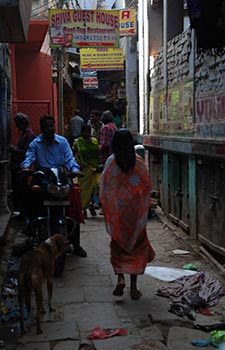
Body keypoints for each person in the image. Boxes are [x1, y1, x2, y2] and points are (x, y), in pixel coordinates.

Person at [99, 129, 155, 299]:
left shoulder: (111, 162)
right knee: (136, 249)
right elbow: (146, 187)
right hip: (135, 214)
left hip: (118, 214)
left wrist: (108, 209)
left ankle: (120, 278)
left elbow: (104, 189)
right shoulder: (138, 162)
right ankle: (133, 288)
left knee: (118, 247)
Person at [21, 115, 87, 257]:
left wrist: (75, 169)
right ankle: (30, 230)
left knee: (73, 207)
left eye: (52, 125)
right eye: (47, 126)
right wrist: (26, 166)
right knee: (30, 195)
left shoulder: (62, 142)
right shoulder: (35, 144)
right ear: (42, 128)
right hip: (43, 176)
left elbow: (70, 158)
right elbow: (29, 157)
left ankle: (76, 244)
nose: (50, 128)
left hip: (61, 177)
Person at [7, 112, 35, 221]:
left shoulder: (29, 135)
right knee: (19, 192)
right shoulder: (25, 134)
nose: (17, 126)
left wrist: (15, 150)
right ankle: (22, 213)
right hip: (18, 166)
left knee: (21, 192)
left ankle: (24, 214)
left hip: (21, 167)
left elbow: (28, 153)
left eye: (17, 123)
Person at [73, 124, 101, 219]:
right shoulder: (77, 142)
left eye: (89, 132)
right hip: (84, 168)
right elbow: (74, 153)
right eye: (85, 132)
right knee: (84, 191)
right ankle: (83, 209)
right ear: (81, 132)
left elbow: (98, 154)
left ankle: (92, 205)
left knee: (95, 189)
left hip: (95, 168)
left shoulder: (94, 141)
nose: (87, 134)